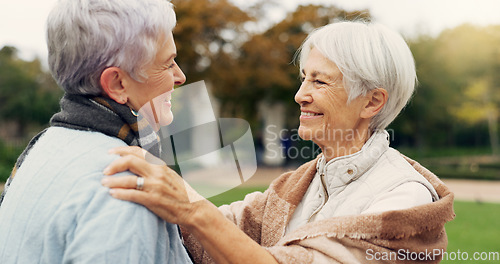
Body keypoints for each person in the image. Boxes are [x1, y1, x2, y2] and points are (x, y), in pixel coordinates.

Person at [101, 21, 455, 263]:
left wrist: (191, 209)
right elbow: (219, 232)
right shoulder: (296, 184)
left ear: (372, 102)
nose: (300, 95)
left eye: (320, 82)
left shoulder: (404, 200)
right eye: (304, 79)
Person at [0, 0, 193, 263]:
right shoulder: (127, 184)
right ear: (117, 83)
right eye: (167, 63)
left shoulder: (43, 146)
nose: (180, 76)